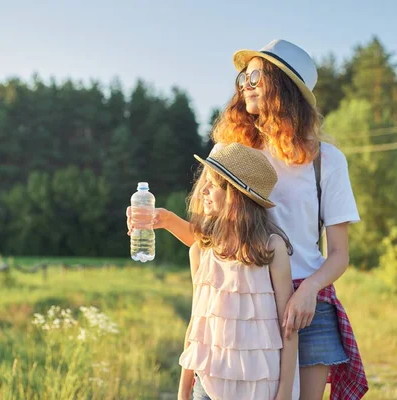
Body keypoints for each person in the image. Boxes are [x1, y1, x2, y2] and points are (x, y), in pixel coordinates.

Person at [127, 39, 368, 399]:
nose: (245, 85)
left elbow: (338, 254)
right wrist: (162, 219)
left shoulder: (327, 161)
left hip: (304, 306)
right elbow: (212, 240)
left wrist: (308, 291)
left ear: (284, 87)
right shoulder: (231, 153)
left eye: (255, 75)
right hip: (243, 300)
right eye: (243, 77)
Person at [177, 143, 299, 400]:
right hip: (206, 385)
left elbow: (288, 328)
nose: (203, 191)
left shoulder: (271, 248)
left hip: (259, 386)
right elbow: (196, 326)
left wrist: (285, 393)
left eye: (212, 184)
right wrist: (183, 390)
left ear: (235, 195)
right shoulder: (200, 251)